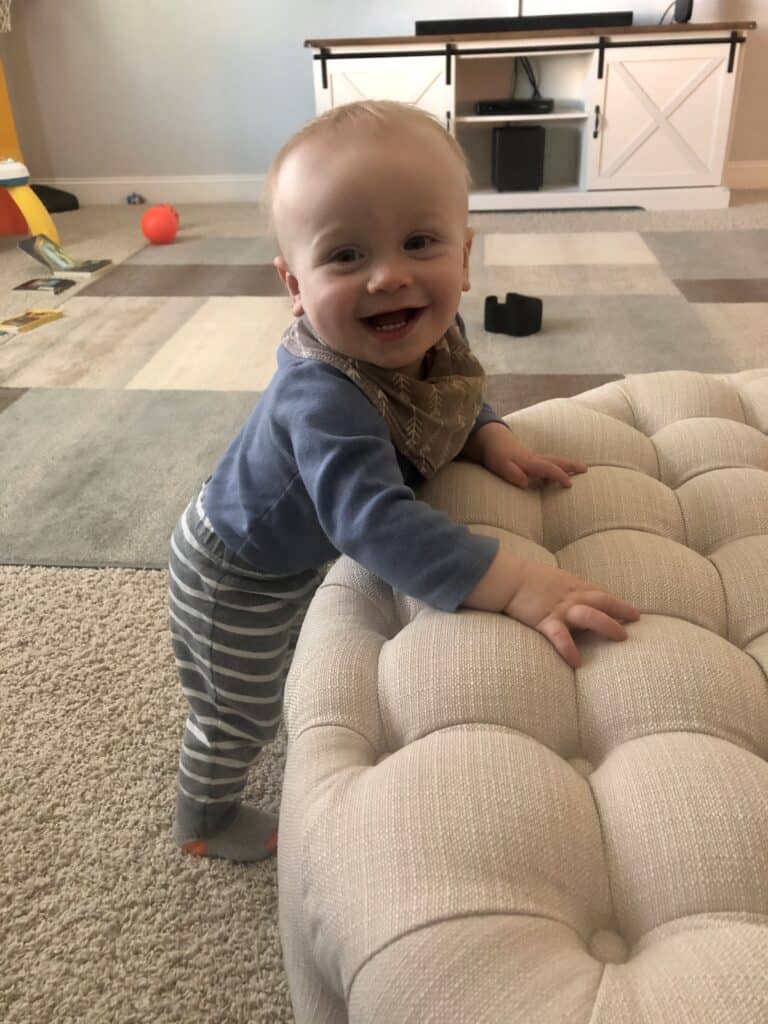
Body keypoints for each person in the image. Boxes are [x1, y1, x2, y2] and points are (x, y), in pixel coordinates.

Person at [169, 100, 640, 862]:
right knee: (238, 711)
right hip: (236, 572)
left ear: (463, 255)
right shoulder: (323, 398)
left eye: (419, 242)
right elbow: (373, 524)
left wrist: (488, 434)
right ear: (294, 283)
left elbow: (446, 390)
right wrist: (517, 582)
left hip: (290, 547)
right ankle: (205, 816)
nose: (389, 277)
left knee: (291, 664)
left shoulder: (431, 324)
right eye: (346, 257)